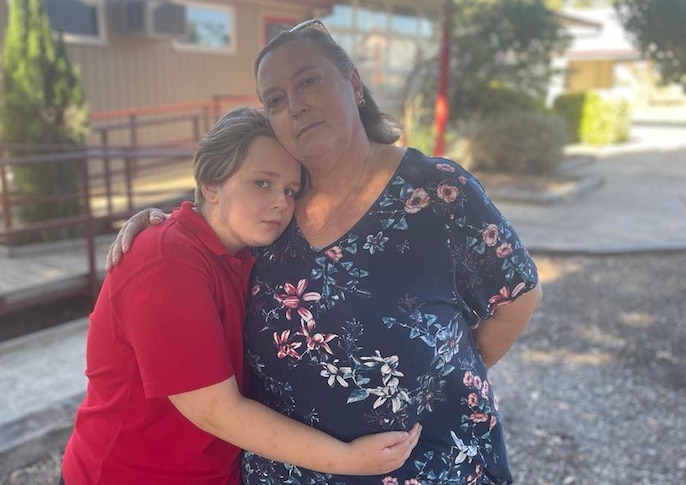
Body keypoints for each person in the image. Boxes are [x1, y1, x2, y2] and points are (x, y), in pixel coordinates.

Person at [108, 20, 542, 485]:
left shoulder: (438, 192)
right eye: (274, 99)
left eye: (308, 81)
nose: (295, 106)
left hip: (425, 466)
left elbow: (516, 298)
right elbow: (214, 226)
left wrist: (436, 379)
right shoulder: (275, 212)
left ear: (353, 83)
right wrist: (163, 224)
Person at [61, 107, 421, 485]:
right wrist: (348, 458)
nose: (281, 201)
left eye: (290, 190)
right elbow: (216, 410)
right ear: (211, 184)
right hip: (130, 473)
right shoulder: (166, 261)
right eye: (261, 183)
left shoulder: (248, 250)